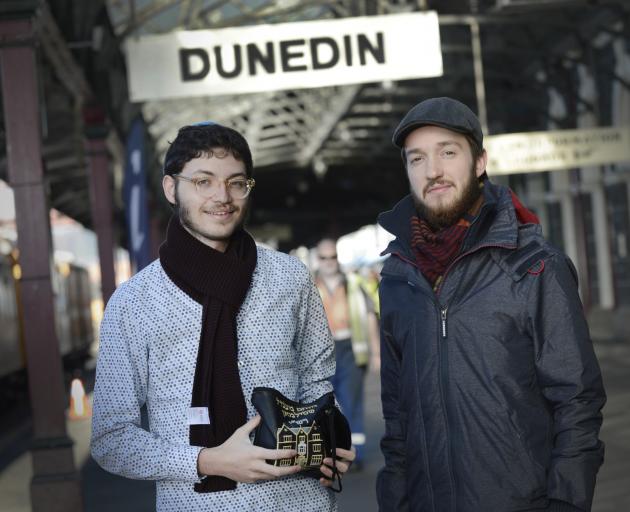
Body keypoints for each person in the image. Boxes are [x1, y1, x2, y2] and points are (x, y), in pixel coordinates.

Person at [91, 122, 354, 511]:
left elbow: (317, 382)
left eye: (236, 183)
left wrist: (331, 439)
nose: (222, 196)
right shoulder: (135, 302)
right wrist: (206, 460)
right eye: (203, 181)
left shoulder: (289, 276)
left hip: (301, 502)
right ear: (170, 188)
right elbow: (110, 439)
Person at [376, 97, 606, 512]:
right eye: (417, 159)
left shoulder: (534, 266)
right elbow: (397, 419)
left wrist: (567, 503)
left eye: (448, 152)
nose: (433, 171)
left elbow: (577, 402)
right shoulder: (398, 279)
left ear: (480, 162)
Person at [314, 238, 380, 469]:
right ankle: (332, 454)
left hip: (349, 350)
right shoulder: (309, 284)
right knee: (326, 406)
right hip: (322, 353)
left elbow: (370, 315)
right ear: (317, 260)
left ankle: (355, 454)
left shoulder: (353, 282)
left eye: (333, 257)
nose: (329, 262)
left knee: (352, 405)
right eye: (324, 257)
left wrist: (376, 352)